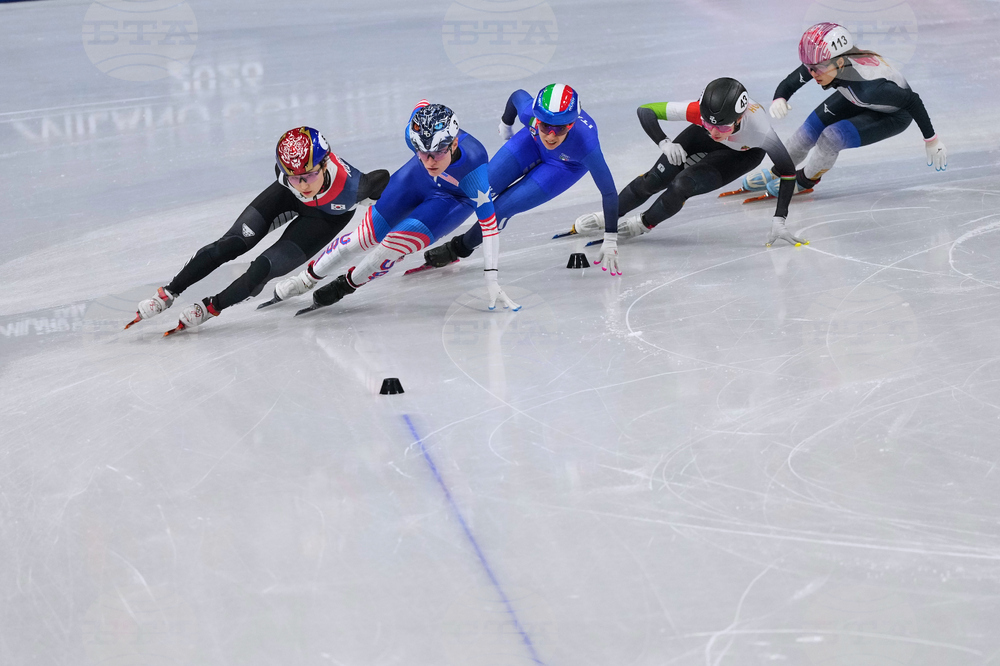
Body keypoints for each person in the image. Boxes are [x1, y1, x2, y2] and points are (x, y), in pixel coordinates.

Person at [123, 127, 388, 335]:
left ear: (324, 164)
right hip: (286, 198)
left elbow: (387, 180)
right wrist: (295, 182)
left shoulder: (357, 187)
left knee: (261, 269)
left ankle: (209, 307)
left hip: (325, 218)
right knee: (230, 244)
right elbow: (295, 179)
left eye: (308, 176)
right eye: (294, 177)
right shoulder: (287, 177)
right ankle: (169, 292)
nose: (303, 184)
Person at [271, 101, 519, 314]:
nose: (430, 161)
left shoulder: (475, 167)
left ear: (453, 145)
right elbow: (421, 106)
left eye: (438, 153)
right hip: (415, 180)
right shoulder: (415, 135)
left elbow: (489, 226)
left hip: (453, 200)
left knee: (390, 247)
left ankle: (343, 286)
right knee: (363, 236)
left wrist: (491, 277)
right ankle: (304, 280)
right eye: (423, 153)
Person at [569, 77, 807, 247]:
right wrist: (664, 142)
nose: (714, 131)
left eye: (722, 126)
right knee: (655, 178)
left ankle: (643, 224)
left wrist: (779, 219)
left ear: (741, 117)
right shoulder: (700, 114)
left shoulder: (761, 132)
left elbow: (787, 171)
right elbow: (646, 111)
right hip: (700, 137)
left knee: (682, 185)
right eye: (708, 122)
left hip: (742, 153)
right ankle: (608, 215)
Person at [419, 83, 623, 275]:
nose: (551, 136)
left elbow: (609, 192)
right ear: (536, 118)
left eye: (560, 129)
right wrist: (506, 124)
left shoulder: (586, 145)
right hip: (531, 142)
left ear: (571, 124)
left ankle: (459, 247)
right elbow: (517, 95)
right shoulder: (530, 116)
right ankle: (422, 222)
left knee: (499, 210)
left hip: (564, 166)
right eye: (545, 126)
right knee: (479, 188)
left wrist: (611, 237)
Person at [745, 22, 946, 198]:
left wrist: (931, 140)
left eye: (817, 68)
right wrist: (780, 97)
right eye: (810, 68)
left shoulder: (870, 86)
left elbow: (912, 101)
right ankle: (778, 170)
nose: (813, 73)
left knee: (831, 138)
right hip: (855, 97)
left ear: (840, 62)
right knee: (808, 131)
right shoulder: (825, 61)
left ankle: (804, 181)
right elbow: (790, 82)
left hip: (893, 115)